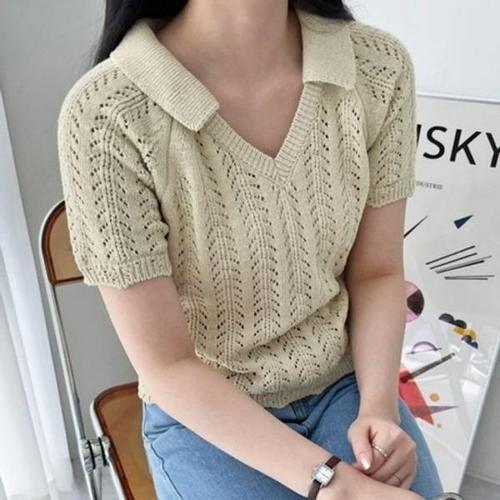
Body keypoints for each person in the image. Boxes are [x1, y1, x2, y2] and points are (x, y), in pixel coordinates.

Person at [57, 0, 445, 498]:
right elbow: (168, 365)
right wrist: (332, 482)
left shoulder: (377, 68)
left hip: (345, 382)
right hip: (205, 415)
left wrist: (379, 409)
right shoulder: (105, 114)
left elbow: (377, 274)